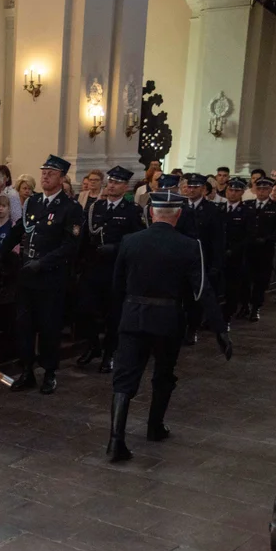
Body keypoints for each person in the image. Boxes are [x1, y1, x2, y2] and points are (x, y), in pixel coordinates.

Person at [106, 191, 233, 462]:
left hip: (133, 316)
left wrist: (117, 319)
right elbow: (202, 290)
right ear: (177, 215)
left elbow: (116, 285)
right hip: (168, 319)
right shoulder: (190, 245)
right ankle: (154, 427)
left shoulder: (130, 241)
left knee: (124, 378)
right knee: (163, 375)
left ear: (151, 213)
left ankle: (116, 439)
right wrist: (220, 328)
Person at [0, 155, 83, 395]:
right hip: (27, 276)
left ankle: (50, 373)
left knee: (48, 327)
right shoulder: (33, 202)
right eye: (44, 172)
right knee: (24, 325)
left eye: (51, 173)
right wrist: (0, 254)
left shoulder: (70, 208)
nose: (45, 176)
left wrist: (42, 263)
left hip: (50, 278)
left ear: (62, 178)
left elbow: (69, 246)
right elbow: (19, 231)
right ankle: (27, 371)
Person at [76, 166, 144, 373]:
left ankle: (109, 353)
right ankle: (93, 345)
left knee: (113, 314)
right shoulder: (96, 208)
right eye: (110, 182)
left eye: (116, 183)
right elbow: (85, 237)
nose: (111, 185)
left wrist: (116, 248)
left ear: (125, 187)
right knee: (86, 310)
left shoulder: (132, 211)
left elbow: (137, 241)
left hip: (116, 269)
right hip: (94, 266)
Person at [179, 173, 225, 345]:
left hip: (202, 259)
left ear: (204, 190)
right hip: (183, 258)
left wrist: (215, 265)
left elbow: (218, 240)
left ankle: (193, 328)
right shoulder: (181, 207)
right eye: (189, 187)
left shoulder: (213, 210)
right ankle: (180, 326)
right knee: (181, 295)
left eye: (195, 187)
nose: (191, 190)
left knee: (196, 298)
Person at [247, 177, 276, 321]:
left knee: (260, 280)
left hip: (265, 249)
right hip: (248, 248)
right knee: (245, 278)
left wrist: (267, 239)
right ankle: (245, 305)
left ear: (270, 190)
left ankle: (256, 307)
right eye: (259, 188)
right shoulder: (248, 205)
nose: (262, 192)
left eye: (265, 189)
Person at [222, 178, 254, 322]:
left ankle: (228, 314)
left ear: (242, 192)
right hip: (219, 254)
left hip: (237, 256)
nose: (232, 193)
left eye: (236, 191)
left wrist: (234, 250)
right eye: (230, 190)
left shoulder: (247, 211)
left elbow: (249, 235)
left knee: (232, 287)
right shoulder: (219, 208)